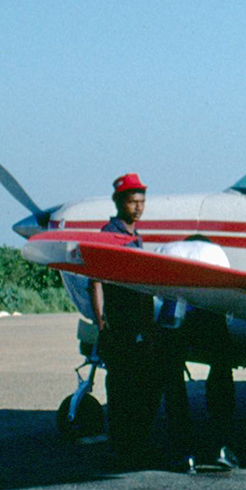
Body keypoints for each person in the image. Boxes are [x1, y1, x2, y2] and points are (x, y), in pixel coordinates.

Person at [154, 236, 245, 473]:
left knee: (174, 382)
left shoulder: (167, 248)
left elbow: (159, 292)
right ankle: (221, 448)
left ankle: (183, 453)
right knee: (221, 374)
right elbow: (225, 291)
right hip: (209, 316)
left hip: (174, 316)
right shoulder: (216, 252)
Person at [91, 173, 159, 464]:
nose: (138, 208)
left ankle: (136, 442)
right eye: (132, 202)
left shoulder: (134, 236)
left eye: (141, 202)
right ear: (119, 202)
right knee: (122, 388)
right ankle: (123, 447)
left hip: (138, 323)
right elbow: (95, 281)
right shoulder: (111, 235)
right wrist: (102, 324)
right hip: (120, 325)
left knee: (143, 384)